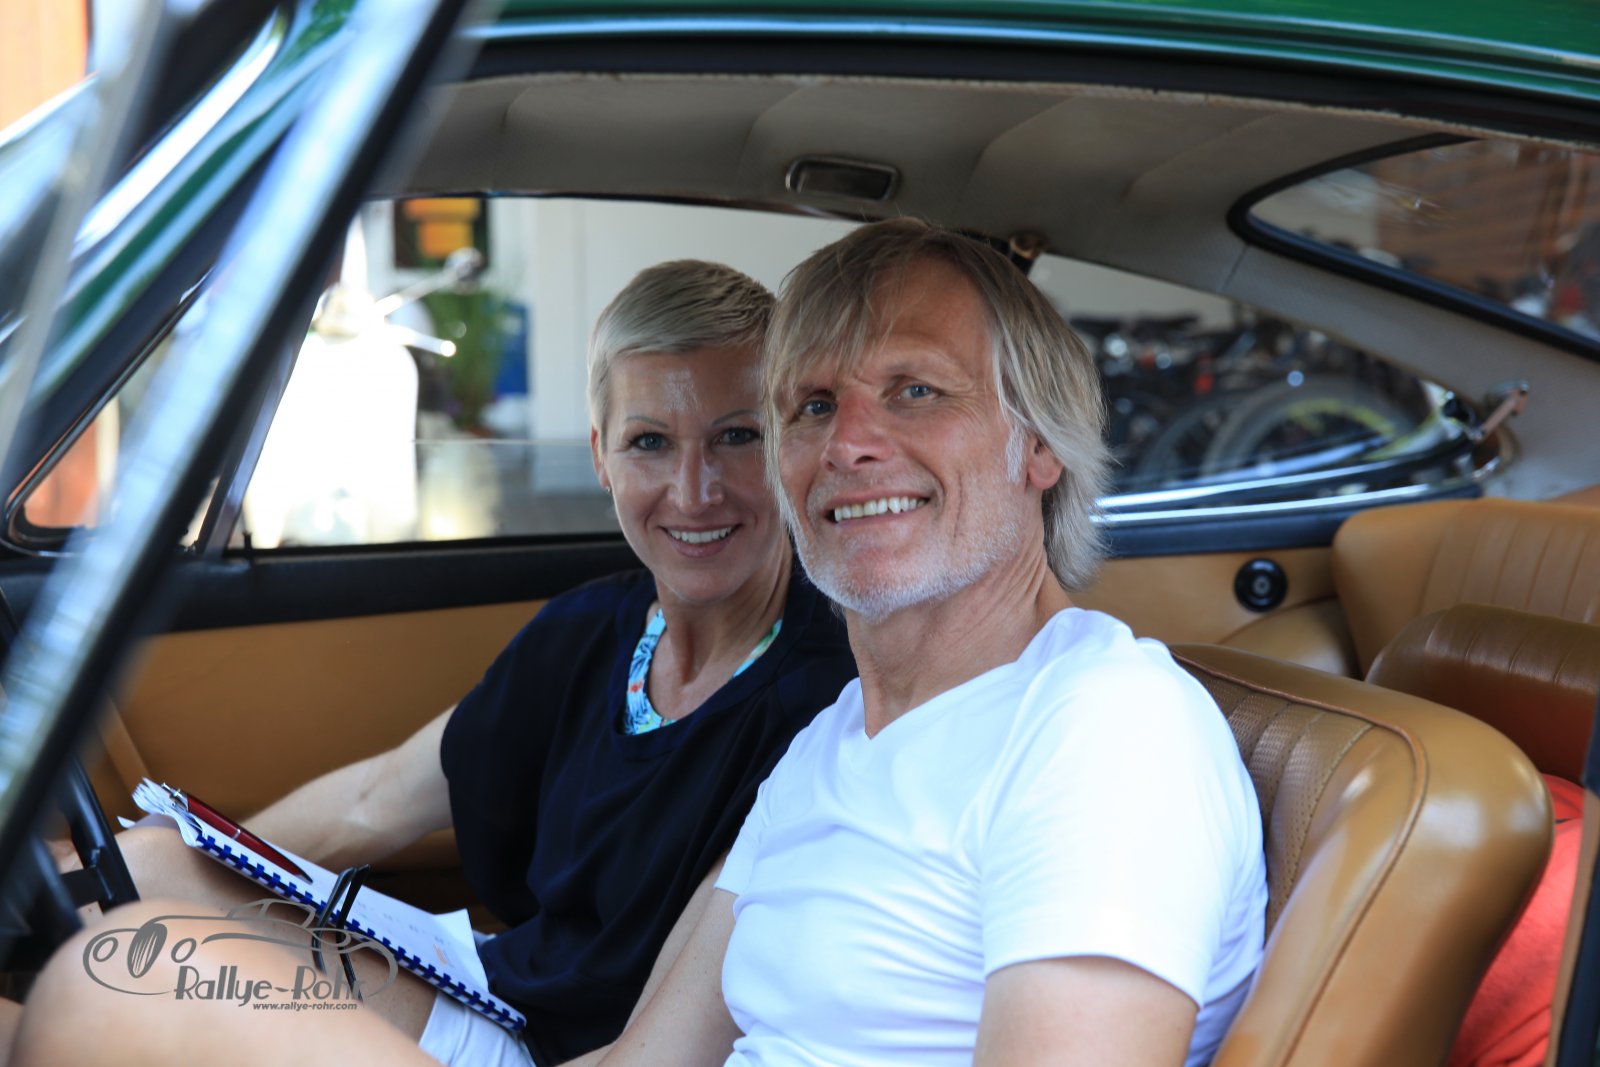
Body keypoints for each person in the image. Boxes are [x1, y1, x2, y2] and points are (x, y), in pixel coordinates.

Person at [14, 221, 1263, 1067]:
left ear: (1039, 446)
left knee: (118, 986)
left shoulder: (1104, 729)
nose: (850, 442)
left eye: (916, 390)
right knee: (124, 957)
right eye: (812, 405)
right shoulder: (841, 742)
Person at [93, 259, 858, 1067]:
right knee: (150, 869)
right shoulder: (588, 630)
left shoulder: (822, 701)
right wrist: (188, 863)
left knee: (153, 929)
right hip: (488, 984)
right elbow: (375, 799)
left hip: (547, 1051)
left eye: (737, 436)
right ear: (601, 456)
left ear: (790, 445)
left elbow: (666, 1044)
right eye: (649, 442)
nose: (693, 490)